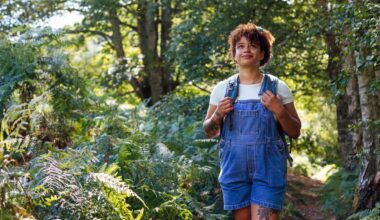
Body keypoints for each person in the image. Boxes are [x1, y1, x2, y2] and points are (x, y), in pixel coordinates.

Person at [203, 23, 301, 220]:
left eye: (253, 45)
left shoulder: (278, 88)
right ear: (234, 54)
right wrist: (218, 115)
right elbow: (208, 131)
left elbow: (295, 131)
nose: (246, 49)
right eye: (240, 46)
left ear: (263, 54)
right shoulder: (222, 89)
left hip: (268, 171)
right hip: (235, 171)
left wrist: (279, 110)